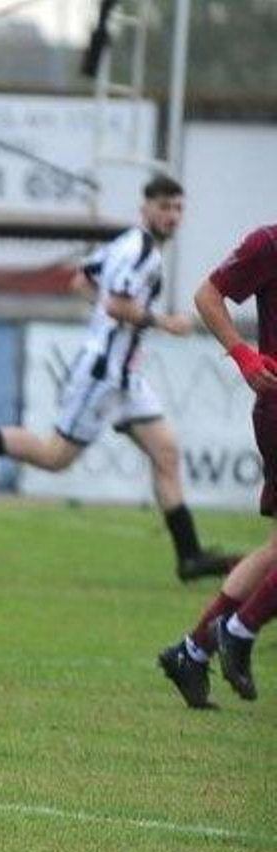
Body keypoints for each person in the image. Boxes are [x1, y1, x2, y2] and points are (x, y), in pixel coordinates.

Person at [0, 176, 237, 583]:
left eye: (178, 208)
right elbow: (116, 302)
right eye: (165, 207)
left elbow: (82, 282)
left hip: (125, 375)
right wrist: (163, 322)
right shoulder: (142, 253)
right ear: (145, 207)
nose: (172, 216)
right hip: (102, 374)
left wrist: (111, 315)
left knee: (166, 452)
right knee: (53, 457)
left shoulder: (125, 244)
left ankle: (190, 557)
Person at [158, 222, 277, 709]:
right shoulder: (269, 243)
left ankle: (191, 651)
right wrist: (244, 356)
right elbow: (209, 293)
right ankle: (240, 629)